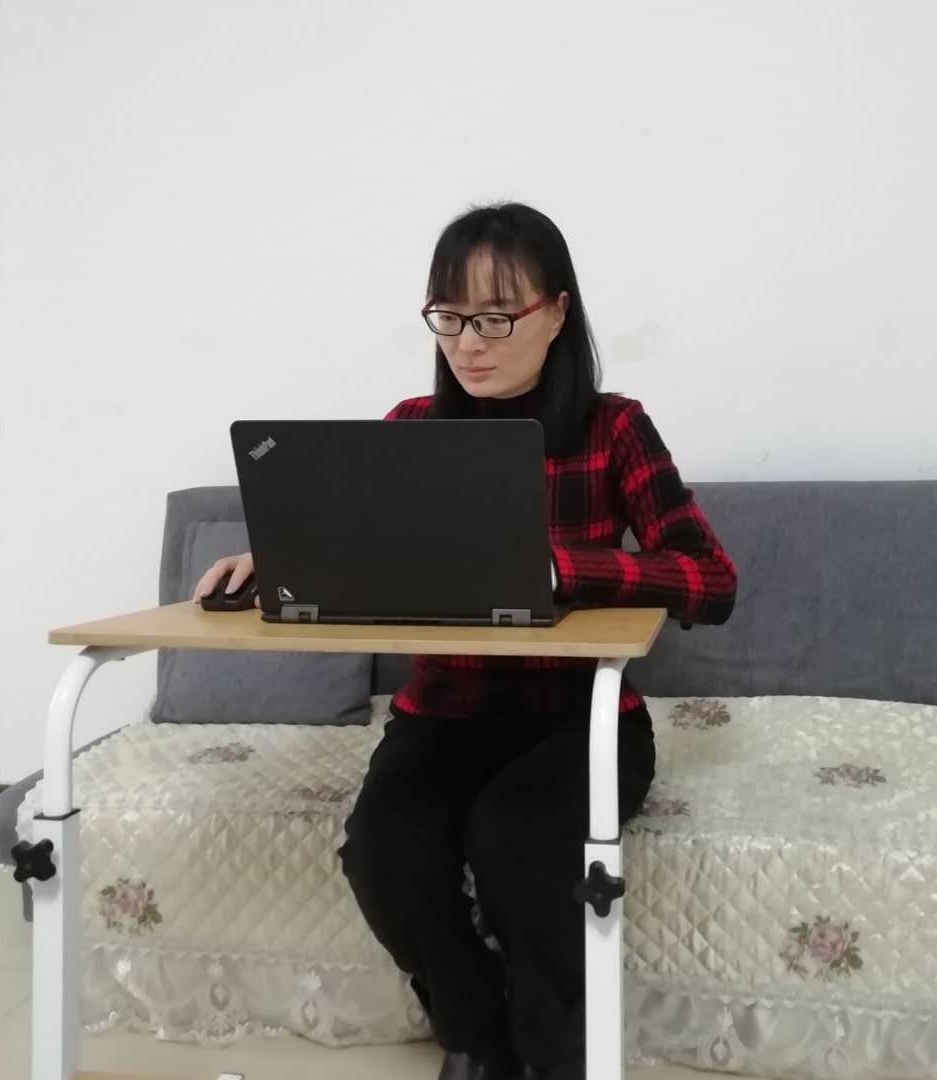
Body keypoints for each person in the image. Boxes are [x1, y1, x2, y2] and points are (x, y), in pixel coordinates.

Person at [192, 202, 737, 1080]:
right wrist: (278, 559)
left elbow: (709, 579)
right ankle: (477, 1034)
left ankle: (553, 1053)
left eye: (495, 317)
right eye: (448, 317)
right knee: (384, 852)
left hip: (581, 721)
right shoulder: (413, 426)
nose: (468, 344)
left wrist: (559, 568)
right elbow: (358, 553)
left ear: (556, 313)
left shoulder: (614, 428)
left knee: (517, 836)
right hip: (445, 714)